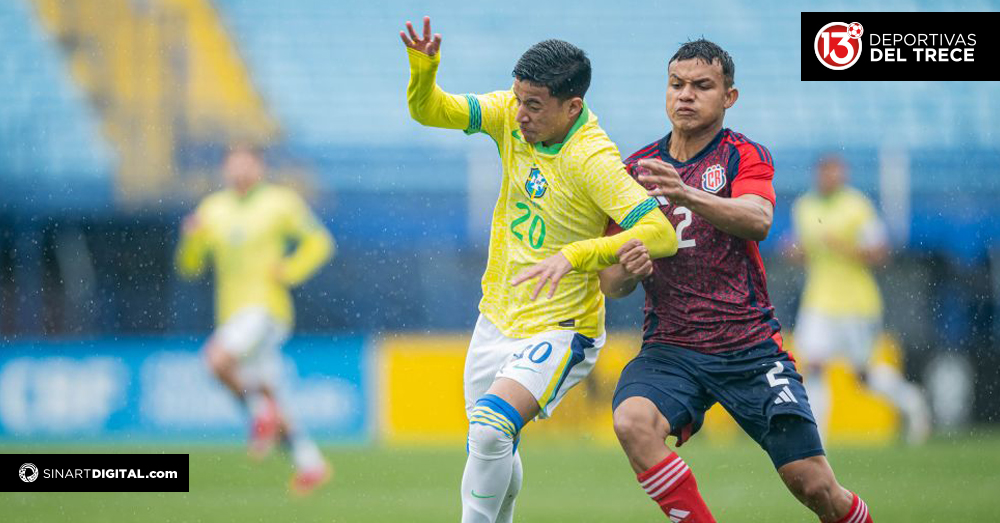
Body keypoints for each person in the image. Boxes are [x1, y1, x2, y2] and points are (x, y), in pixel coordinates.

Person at [400, 16, 678, 523]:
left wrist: (576, 255)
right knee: (491, 440)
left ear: (572, 106)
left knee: (489, 428)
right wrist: (425, 71)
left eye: (534, 104)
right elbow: (429, 111)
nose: (521, 113)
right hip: (496, 318)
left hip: (561, 329)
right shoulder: (510, 112)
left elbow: (661, 232)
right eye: (518, 98)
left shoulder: (592, 158)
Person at [600, 40, 874, 522]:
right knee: (631, 421)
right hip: (671, 348)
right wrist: (628, 269)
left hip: (747, 347)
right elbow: (610, 283)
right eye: (676, 84)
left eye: (701, 86)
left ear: (729, 96)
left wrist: (685, 193)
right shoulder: (633, 171)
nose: (685, 95)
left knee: (813, 485)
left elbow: (757, 218)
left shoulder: (742, 155)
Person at [175, 145, 335, 495]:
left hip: (266, 309)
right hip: (232, 315)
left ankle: (259, 411)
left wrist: (291, 270)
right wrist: (190, 239)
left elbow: (320, 242)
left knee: (216, 360)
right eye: (233, 165)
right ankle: (311, 464)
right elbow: (189, 268)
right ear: (224, 169)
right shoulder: (213, 210)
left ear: (260, 168)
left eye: (247, 164)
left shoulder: (280, 202)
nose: (240, 171)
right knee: (272, 394)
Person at [788, 154, 930, 444]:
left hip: (856, 303)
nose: (831, 178)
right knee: (813, 366)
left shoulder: (857, 207)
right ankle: (817, 441)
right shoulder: (804, 206)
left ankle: (912, 402)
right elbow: (805, 250)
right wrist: (795, 251)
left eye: (836, 172)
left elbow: (881, 253)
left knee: (862, 376)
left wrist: (844, 248)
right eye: (826, 172)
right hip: (818, 301)